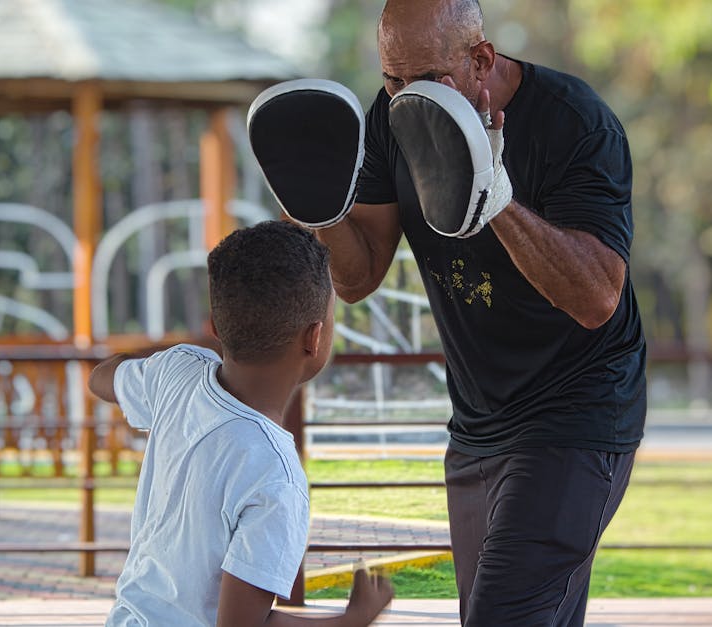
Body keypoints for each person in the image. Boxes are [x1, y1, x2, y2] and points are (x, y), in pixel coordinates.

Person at [249, 1, 646, 624]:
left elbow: (597, 299)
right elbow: (358, 277)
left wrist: (497, 199)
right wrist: (322, 212)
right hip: (477, 425)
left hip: (577, 414)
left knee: (500, 615)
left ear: (481, 59)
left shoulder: (574, 122)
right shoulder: (391, 116)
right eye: (392, 80)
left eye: (428, 79)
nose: (408, 97)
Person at [89, 220, 393, 627]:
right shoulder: (276, 477)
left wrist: (182, 353)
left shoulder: (176, 374)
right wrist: (350, 621)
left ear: (216, 327)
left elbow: (100, 377)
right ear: (315, 338)